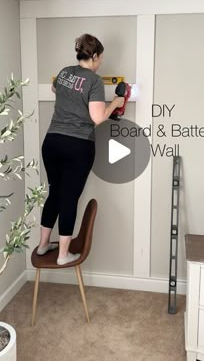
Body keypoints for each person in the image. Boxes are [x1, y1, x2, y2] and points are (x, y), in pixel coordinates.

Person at [37, 33, 125, 265]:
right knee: (69, 198)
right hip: (77, 144)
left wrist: (73, 100)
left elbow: (55, 89)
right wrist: (114, 103)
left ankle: (44, 245)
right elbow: (97, 118)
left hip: (52, 141)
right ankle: (63, 255)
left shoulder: (65, 72)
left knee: (55, 192)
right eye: (101, 58)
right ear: (94, 56)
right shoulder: (94, 81)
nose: (101, 62)